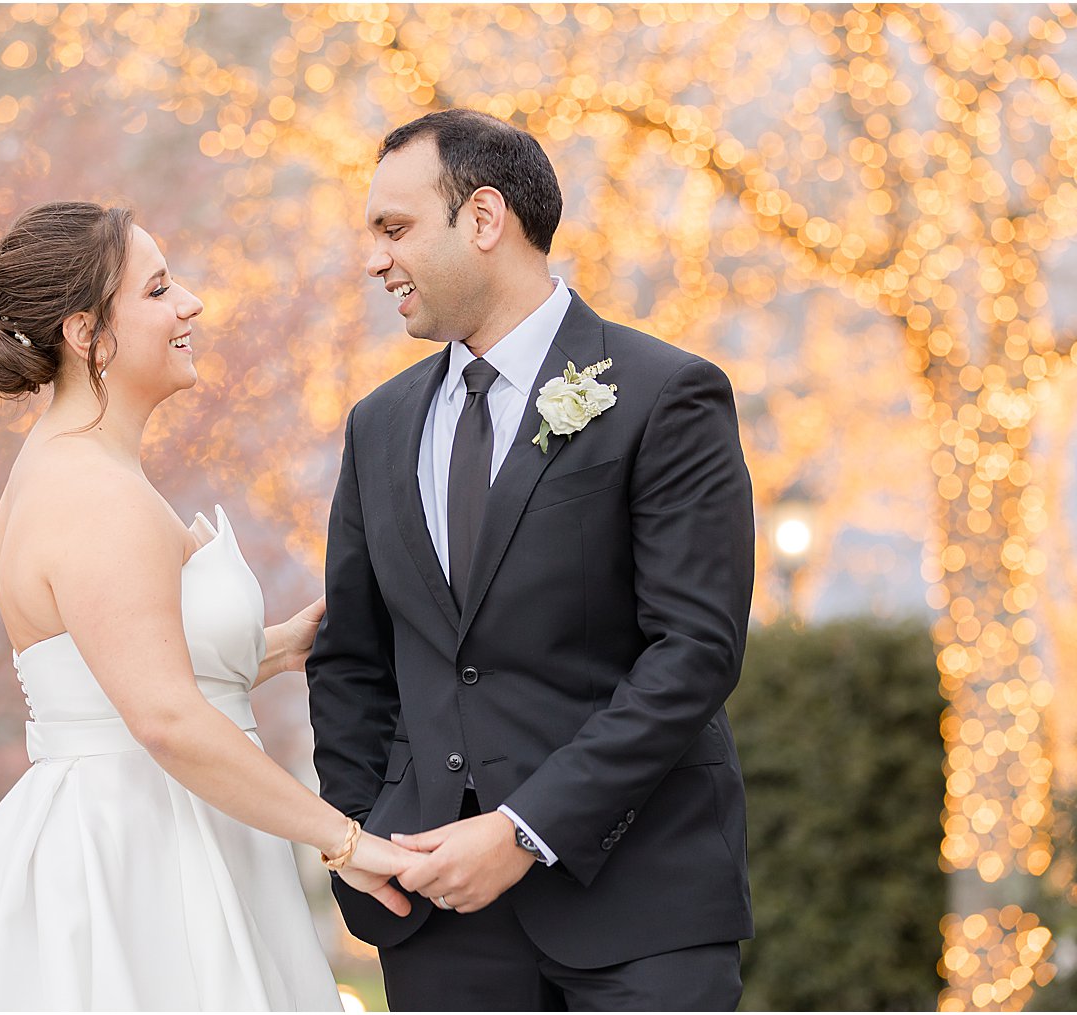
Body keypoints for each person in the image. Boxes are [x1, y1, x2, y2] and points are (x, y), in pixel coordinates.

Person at [0, 202, 413, 1011]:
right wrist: (344, 840)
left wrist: (284, 645)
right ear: (85, 333)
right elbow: (163, 718)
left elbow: (117, 671)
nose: (191, 303)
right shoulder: (89, 492)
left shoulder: (79, 469)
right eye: (156, 290)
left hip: (172, 823)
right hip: (144, 853)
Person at [307, 109, 755, 1011]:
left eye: (394, 229)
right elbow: (352, 657)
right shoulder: (379, 425)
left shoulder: (666, 395)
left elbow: (694, 652)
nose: (373, 259)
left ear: (483, 218)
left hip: (638, 906)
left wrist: (523, 832)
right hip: (434, 914)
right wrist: (367, 840)